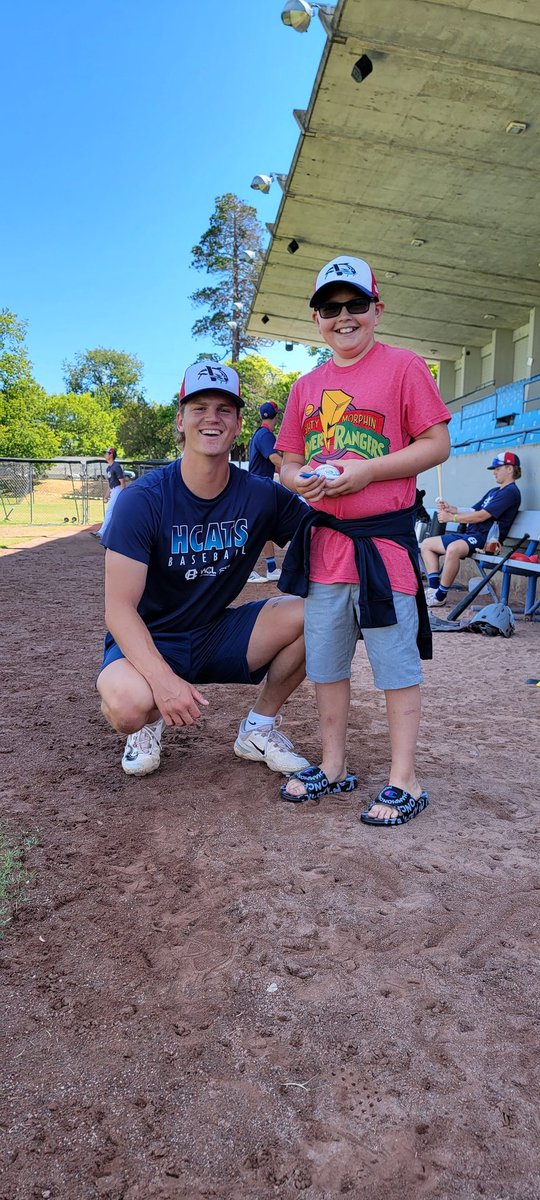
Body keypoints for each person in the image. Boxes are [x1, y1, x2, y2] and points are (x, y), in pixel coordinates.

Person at [274, 255, 451, 827]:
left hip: (384, 548)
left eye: (355, 305)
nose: (344, 317)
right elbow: (289, 461)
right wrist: (299, 480)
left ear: (377, 309)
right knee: (326, 664)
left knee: (395, 664)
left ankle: (406, 779)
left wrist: (370, 471)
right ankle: (332, 766)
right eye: (331, 308)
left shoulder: (404, 367)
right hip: (327, 547)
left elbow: (437, 444)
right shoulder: (306, 385)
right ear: (317, 318)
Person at [96, 360, 310, 780]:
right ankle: (148, 724)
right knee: (125, 706)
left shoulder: (261, 496)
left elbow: (320, 532)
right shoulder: (142, 500)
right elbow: (118, 610)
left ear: (238, 424)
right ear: (181, 419)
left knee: (322, 614)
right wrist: (163, 681)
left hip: (216, 632)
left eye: (223, 409)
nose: (211, 418)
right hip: (151, 638)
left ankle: (258, 728)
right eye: (199, 408)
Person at [421, 450, 522, 607]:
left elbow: (482, 516)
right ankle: (434, 589)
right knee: (427, 544)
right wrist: (451, 508)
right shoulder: (495, 491)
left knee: (453, 549)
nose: (494, 472)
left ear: (510, 468)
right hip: (471, 535)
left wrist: (451, 518)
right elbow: (474, 510)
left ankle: (440, 595)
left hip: (486, 540)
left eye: (498, 468)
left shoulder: (511, 492)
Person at [247, 400, 283, 583]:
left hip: (259, 487)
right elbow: (276, 459)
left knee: (265, 528)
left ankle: (271, 568)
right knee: (254, 529)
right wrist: (297, 470)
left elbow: (275, 465)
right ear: (276, 417)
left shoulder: (260, 435)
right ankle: (245, 571)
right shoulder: (266, 435)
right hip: (257, 488)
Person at [97, 448, 125, 540]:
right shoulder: (109, 468)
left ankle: (102, 532)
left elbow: (122, 482)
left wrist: (123, 495)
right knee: (115, 512)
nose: (105, 455)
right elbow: (110, 484)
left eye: (106, 453)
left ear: (111, 454)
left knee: (109, 511)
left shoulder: (116, 466)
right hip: (113, 490)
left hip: (118, 490)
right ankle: (117, 533)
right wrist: (106, 495)